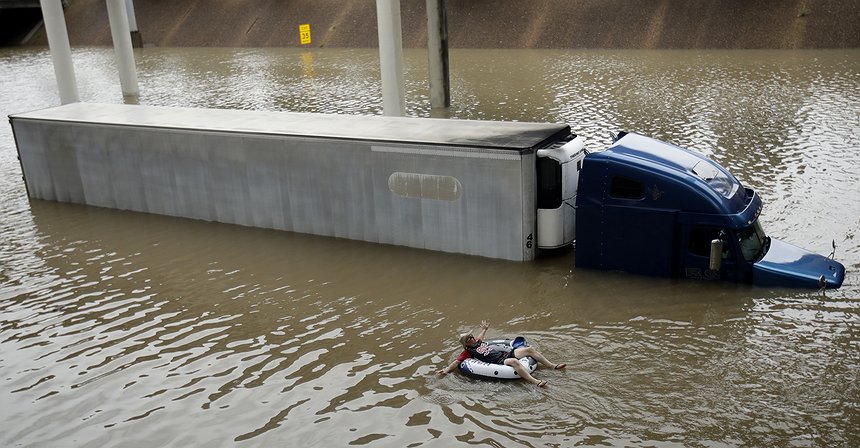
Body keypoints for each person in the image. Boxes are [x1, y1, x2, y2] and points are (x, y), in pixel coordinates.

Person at [436, 320, 565, 387]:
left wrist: (484, 329)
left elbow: (481, 336)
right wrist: (446, 370)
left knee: (530, 349)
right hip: (500, 361)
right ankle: (534, 382)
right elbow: (457, 362)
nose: (472, 338)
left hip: (506, 353)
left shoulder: (478, 341)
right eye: (469, 338)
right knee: (514, 362)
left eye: (471, 336)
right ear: (466, 344)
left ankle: (552, 366)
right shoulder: (468, 352)